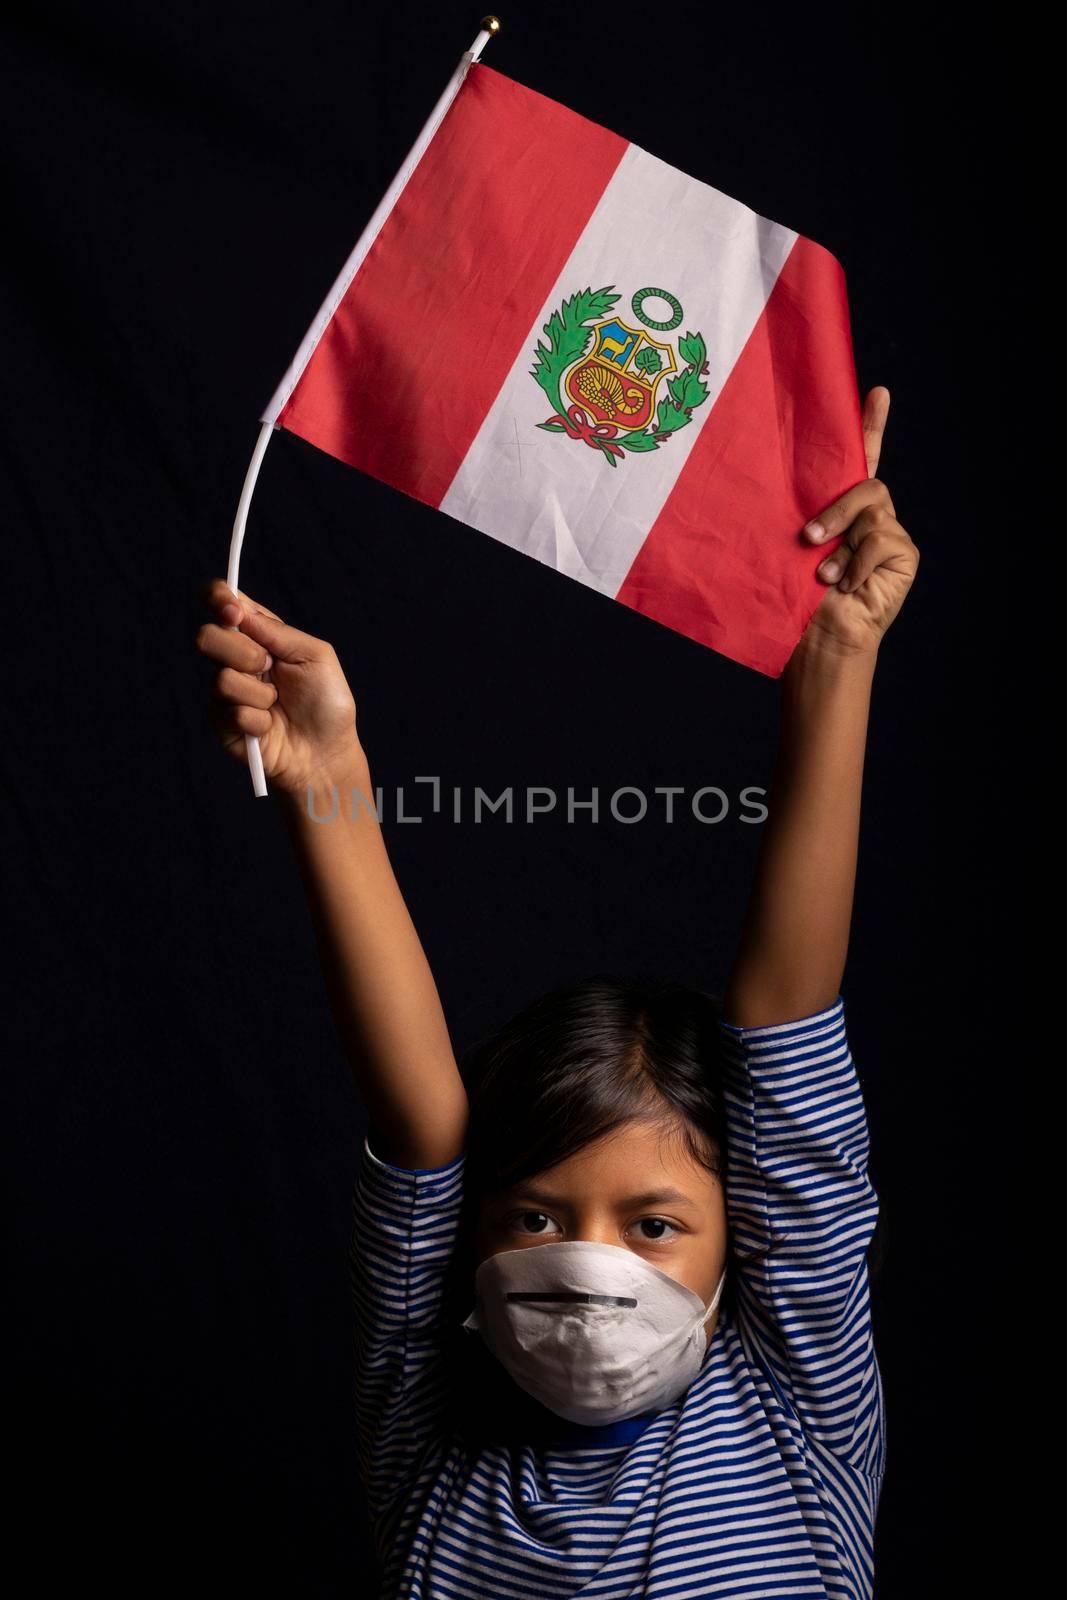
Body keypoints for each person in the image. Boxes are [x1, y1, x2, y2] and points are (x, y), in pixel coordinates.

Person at [195, 385, 918, 1598]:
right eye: (533, 1217)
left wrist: (837, 655)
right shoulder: (428, 1442)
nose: (590, 1271)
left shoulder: (798, 1408)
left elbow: (786, 1011)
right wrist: (324, 771)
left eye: (652, 1224)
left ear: (747, 1236)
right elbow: (422, 1125)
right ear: (469, 1238)